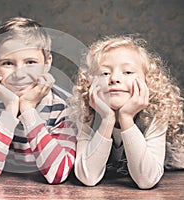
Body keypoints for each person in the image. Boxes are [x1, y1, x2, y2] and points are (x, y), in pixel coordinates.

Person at [0, 17, 76, 184]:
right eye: (8, 63)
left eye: (30, 62)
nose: (19, 74)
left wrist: (28, 110)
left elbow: (57, 173)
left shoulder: (63, 107)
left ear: (47, 64)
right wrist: (11, 108)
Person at [71, 35, 183, 189]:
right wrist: (107, 119)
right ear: (91, 83)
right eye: (105, 73)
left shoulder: (155, 115)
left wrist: (126, 118)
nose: (114, 78)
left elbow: (146, 180)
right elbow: (87, 177)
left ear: (147, 80)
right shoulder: (87, 115)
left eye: (128, 72)